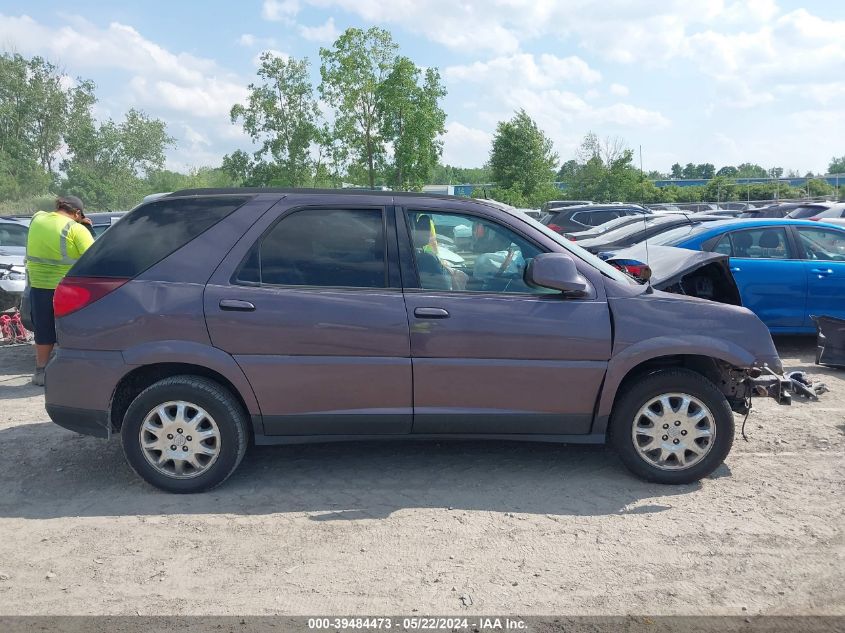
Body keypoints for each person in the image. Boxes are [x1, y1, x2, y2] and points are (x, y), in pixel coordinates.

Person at [25, 195, 94, 386]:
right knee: (74, 329)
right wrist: (85, 227)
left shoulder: (37, 219)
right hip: (67, 289)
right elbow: (93, 257)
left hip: (38, 286)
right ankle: (73, 371)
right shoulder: (76, 229)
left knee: (43, 329)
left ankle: (40, 372)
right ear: (77, 213)